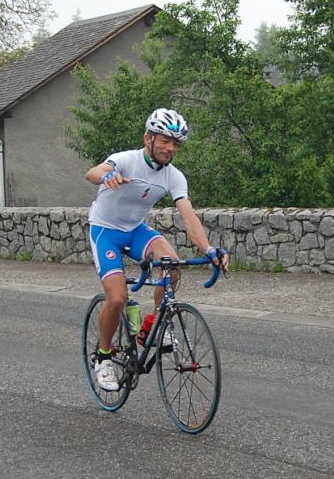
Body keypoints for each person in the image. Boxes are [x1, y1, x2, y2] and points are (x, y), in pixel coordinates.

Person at [84, 108, 229, 392]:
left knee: (171, 264)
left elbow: (189, 217)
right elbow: (92, 172)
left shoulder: (174, 177)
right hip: (105, 231)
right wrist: (107, 175)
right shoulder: (127, 160)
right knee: (116, 299)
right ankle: (103, 358)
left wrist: (210, 248)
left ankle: (152, 324)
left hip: (136, 230)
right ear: (148, 138)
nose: (170, 148)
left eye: (176, 143)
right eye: (165, 140)